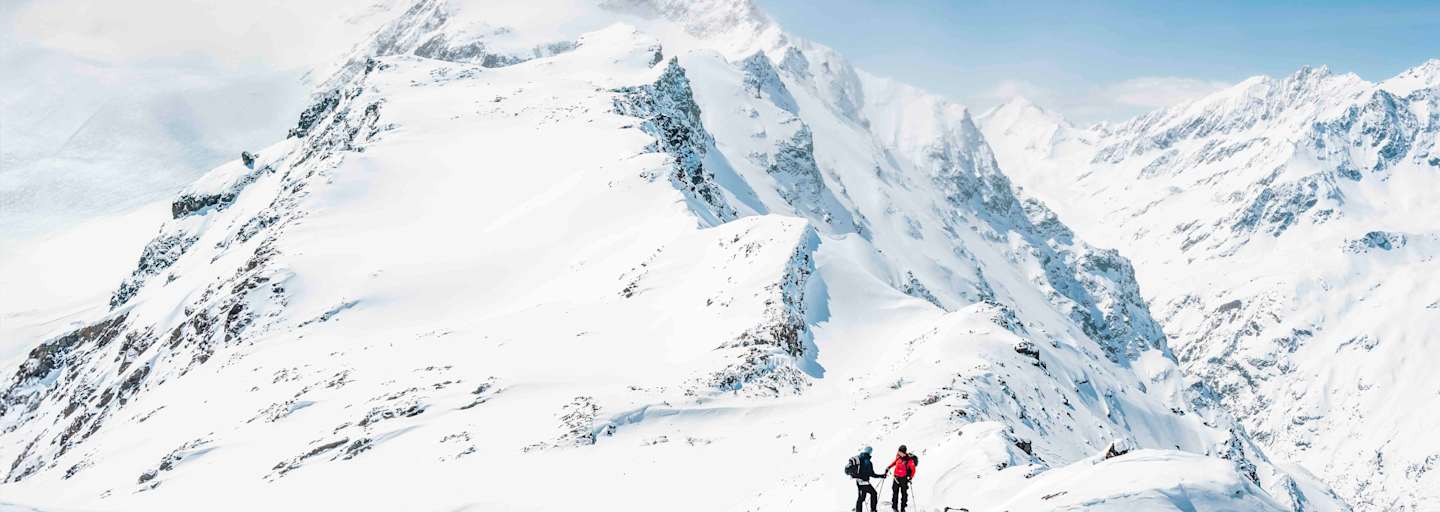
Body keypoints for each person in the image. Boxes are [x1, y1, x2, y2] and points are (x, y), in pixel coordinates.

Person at [885, 445, 918, 512]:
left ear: (904, 452)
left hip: (904, 478)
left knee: (904, 493)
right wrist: (889, 467)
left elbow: (913, 470)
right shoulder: (898, 456)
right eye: (898, 451)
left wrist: (910, 478)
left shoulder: (909, 460)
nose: (898, 452)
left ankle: (903, 508)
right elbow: (895, 462)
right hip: (896, 477)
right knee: (895, 493)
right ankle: (894, 507)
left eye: (900, 452)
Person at [851, 446, 885, 512]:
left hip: (858, 482)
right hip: (864, 483)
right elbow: (872, 474)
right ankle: (873, 510)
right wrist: (882, 476)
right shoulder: (867, 461)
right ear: (870, 452)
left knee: (861, 498)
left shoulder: (859, 458)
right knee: (873, 494)